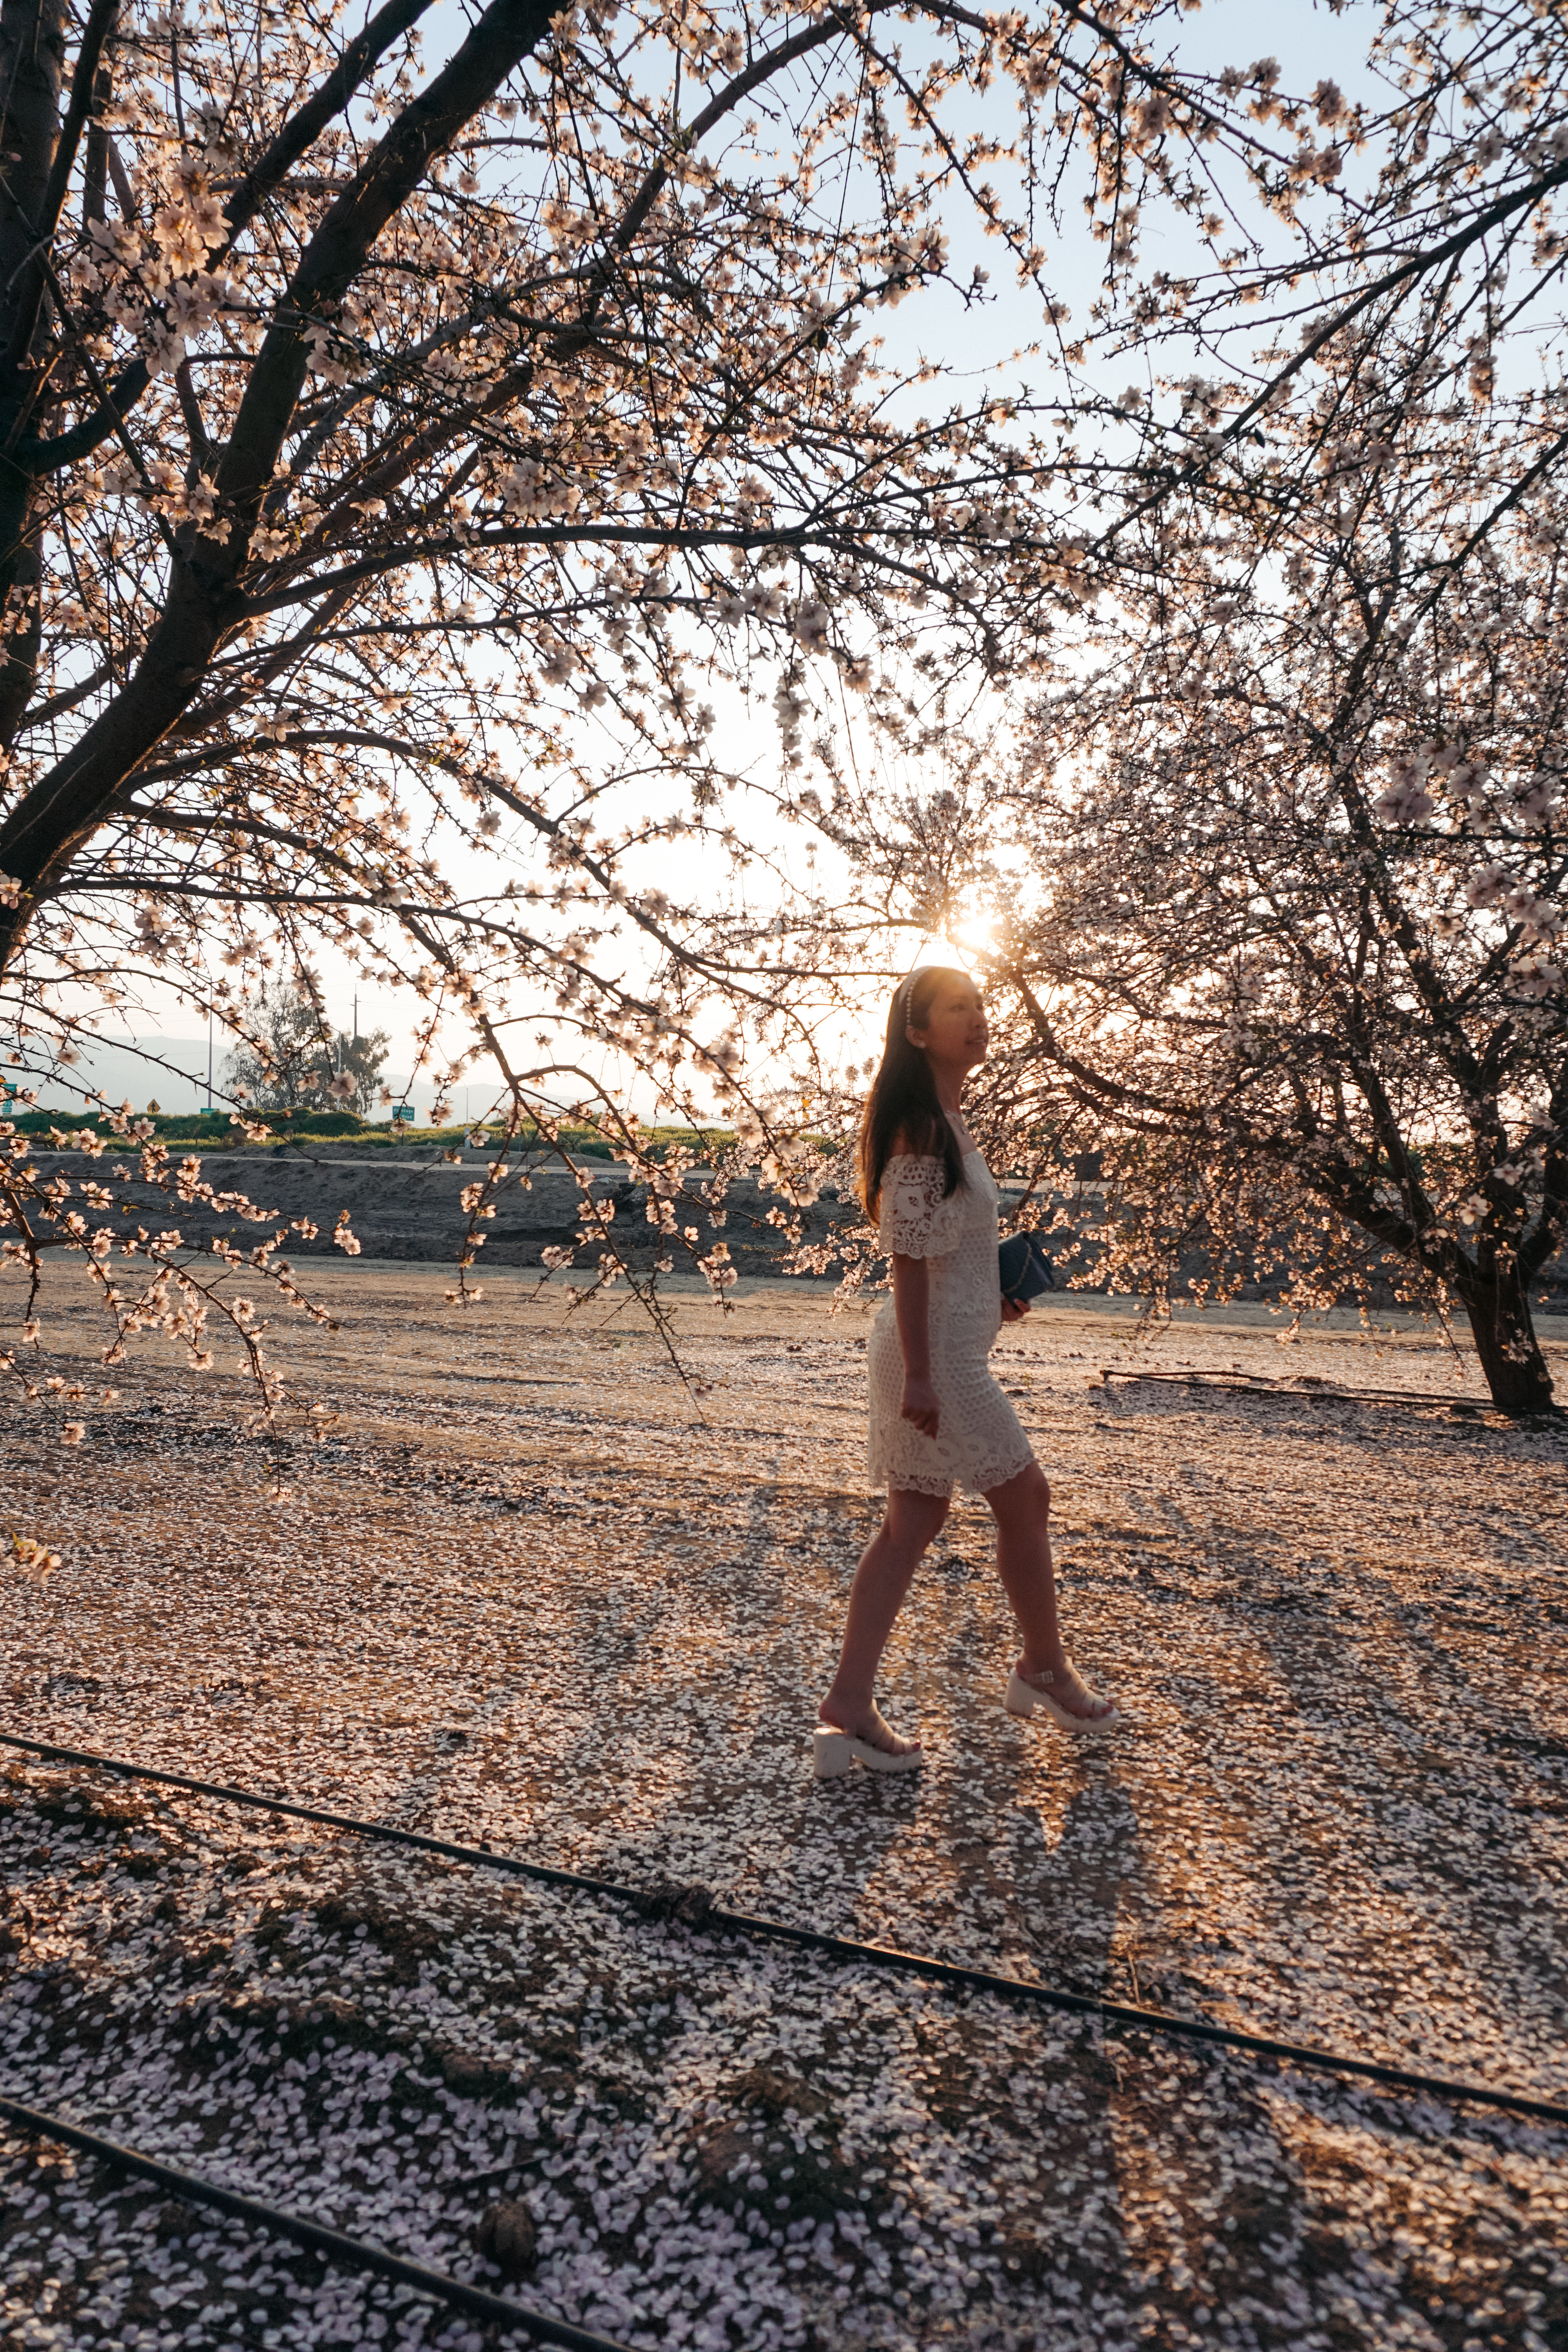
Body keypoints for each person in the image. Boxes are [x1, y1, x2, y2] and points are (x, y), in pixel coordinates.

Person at [814, 966, 1120, 1777]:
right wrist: (920, 1376)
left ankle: (847, 1705)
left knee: (911, 1522)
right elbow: (906, 1262)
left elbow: (946, 1252)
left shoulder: (946, 1119)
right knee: (1026, 1497)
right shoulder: (920, 1127)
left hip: (944, 1345)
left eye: (980, 1005)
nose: (978, 1018)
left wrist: (995, 1295)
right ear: (918, 1032)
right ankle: (1043, 1670)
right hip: (933, 1359)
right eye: (958, 1008)